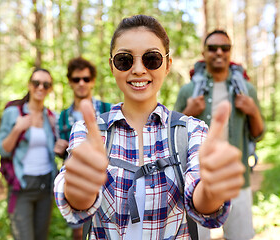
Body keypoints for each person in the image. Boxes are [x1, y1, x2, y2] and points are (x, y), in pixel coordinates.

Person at [54, 15, 245, 240]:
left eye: (151, 59)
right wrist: (81, 186)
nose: (138, 69)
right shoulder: (89, 131)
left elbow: (203, 204)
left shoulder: (191, 132)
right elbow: (78, 203)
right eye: (124, 60)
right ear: (111, 66)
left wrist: (213, 188)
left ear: (167, 65)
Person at [174, 30, 265, 240]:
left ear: (230, 52)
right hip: (196, 183)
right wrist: (187, 112)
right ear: (203, 52)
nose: (218, 52)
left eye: (224, 48)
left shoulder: (246, 90)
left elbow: (258, 134)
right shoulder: (188, 91)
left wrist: (252, 111)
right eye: (212, 48)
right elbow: (171, 136)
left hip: (237, 181)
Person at [0, 68, 58, 240]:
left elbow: (55, 149)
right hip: (22, 187)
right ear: (29, 85)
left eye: (46, 84)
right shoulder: (13, 113)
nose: (40, 87)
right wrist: (18, 128)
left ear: (50, 89)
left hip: (45, 186)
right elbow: (3, 149)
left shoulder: (51, 117)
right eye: (36, 83)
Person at [54, 57, 111, 239]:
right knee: (78, 230)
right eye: (76, 79)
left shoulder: (107, 109)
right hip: (75, 182)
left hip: (105, 181)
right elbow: (61, 149)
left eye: (86, 79)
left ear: (93, 81)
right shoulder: (62, 117)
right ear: (70, 82)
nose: (81, 83)